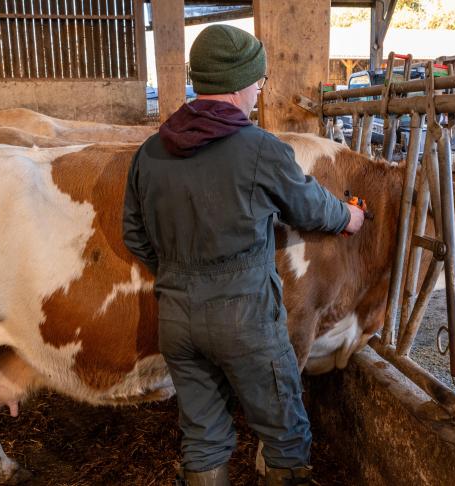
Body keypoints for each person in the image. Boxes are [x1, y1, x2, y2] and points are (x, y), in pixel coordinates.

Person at [122, 24, 364, 486]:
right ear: (239, 84)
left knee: (202, 433)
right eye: (259, 81)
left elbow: (134, 234)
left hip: (176, 317)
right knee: (284, 429)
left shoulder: (151, 152)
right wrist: (348, 218)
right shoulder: (259, 149)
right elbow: (308, 205)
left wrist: (176, 275)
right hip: (245, 316)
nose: (259, 91)